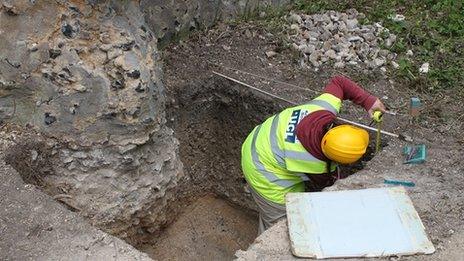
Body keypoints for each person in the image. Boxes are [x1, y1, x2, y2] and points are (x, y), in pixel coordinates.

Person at [241, 75, 386, 234]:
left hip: (260, 138)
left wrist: (368, 101)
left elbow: (340, 82)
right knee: (283, 226)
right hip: (263, 170)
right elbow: (332, 187)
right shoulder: (316, 164)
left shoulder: (323, 109)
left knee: (295, 202)